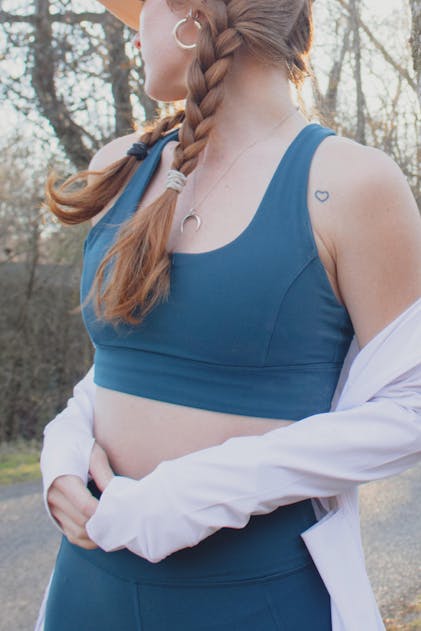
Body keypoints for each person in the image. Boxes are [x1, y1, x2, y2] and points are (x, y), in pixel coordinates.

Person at [37, 1, 421, 630]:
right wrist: (64, 450)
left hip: (258, 598)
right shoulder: (121, 164)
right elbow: (119, 362)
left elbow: (410, 408)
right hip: (87, 594)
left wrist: (197, 492)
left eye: (145, 8)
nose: (134, 33)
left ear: (195, 13)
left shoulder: (352, 184)